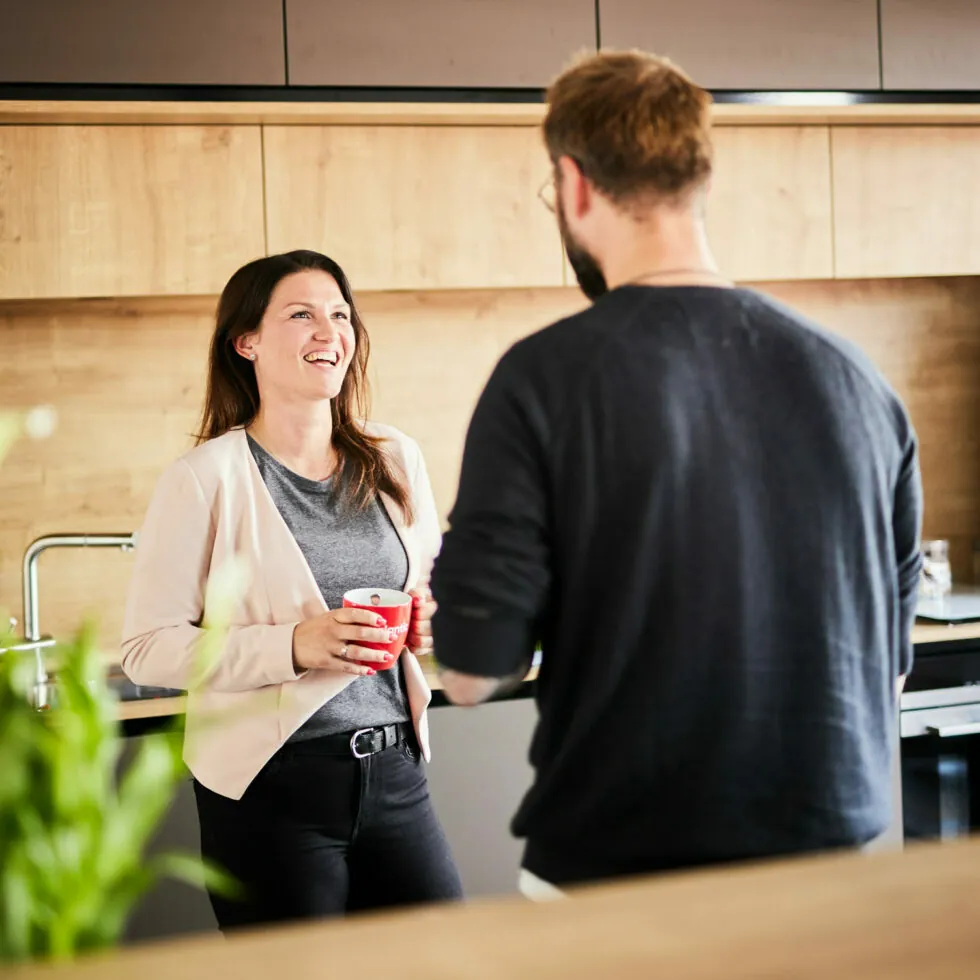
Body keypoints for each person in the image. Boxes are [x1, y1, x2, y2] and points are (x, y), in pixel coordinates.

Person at [430, 52, 923, 894]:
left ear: (575, 184)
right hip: (831, 871)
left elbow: (474, 672)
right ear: (698, 180)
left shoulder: (542, 379)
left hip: (624, 880)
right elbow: (893, 661)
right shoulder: (856, 379)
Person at [121, 249, 462, 928]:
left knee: (449, 959)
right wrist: (293, 647)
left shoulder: (395, 457)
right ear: (245, 341)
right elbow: (146, 649)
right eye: (300, 314)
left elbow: (428, 587)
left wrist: (430, 622)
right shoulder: (204, 477)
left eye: (340, 314)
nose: (328, 331)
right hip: (270, 788)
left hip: (395, 771)